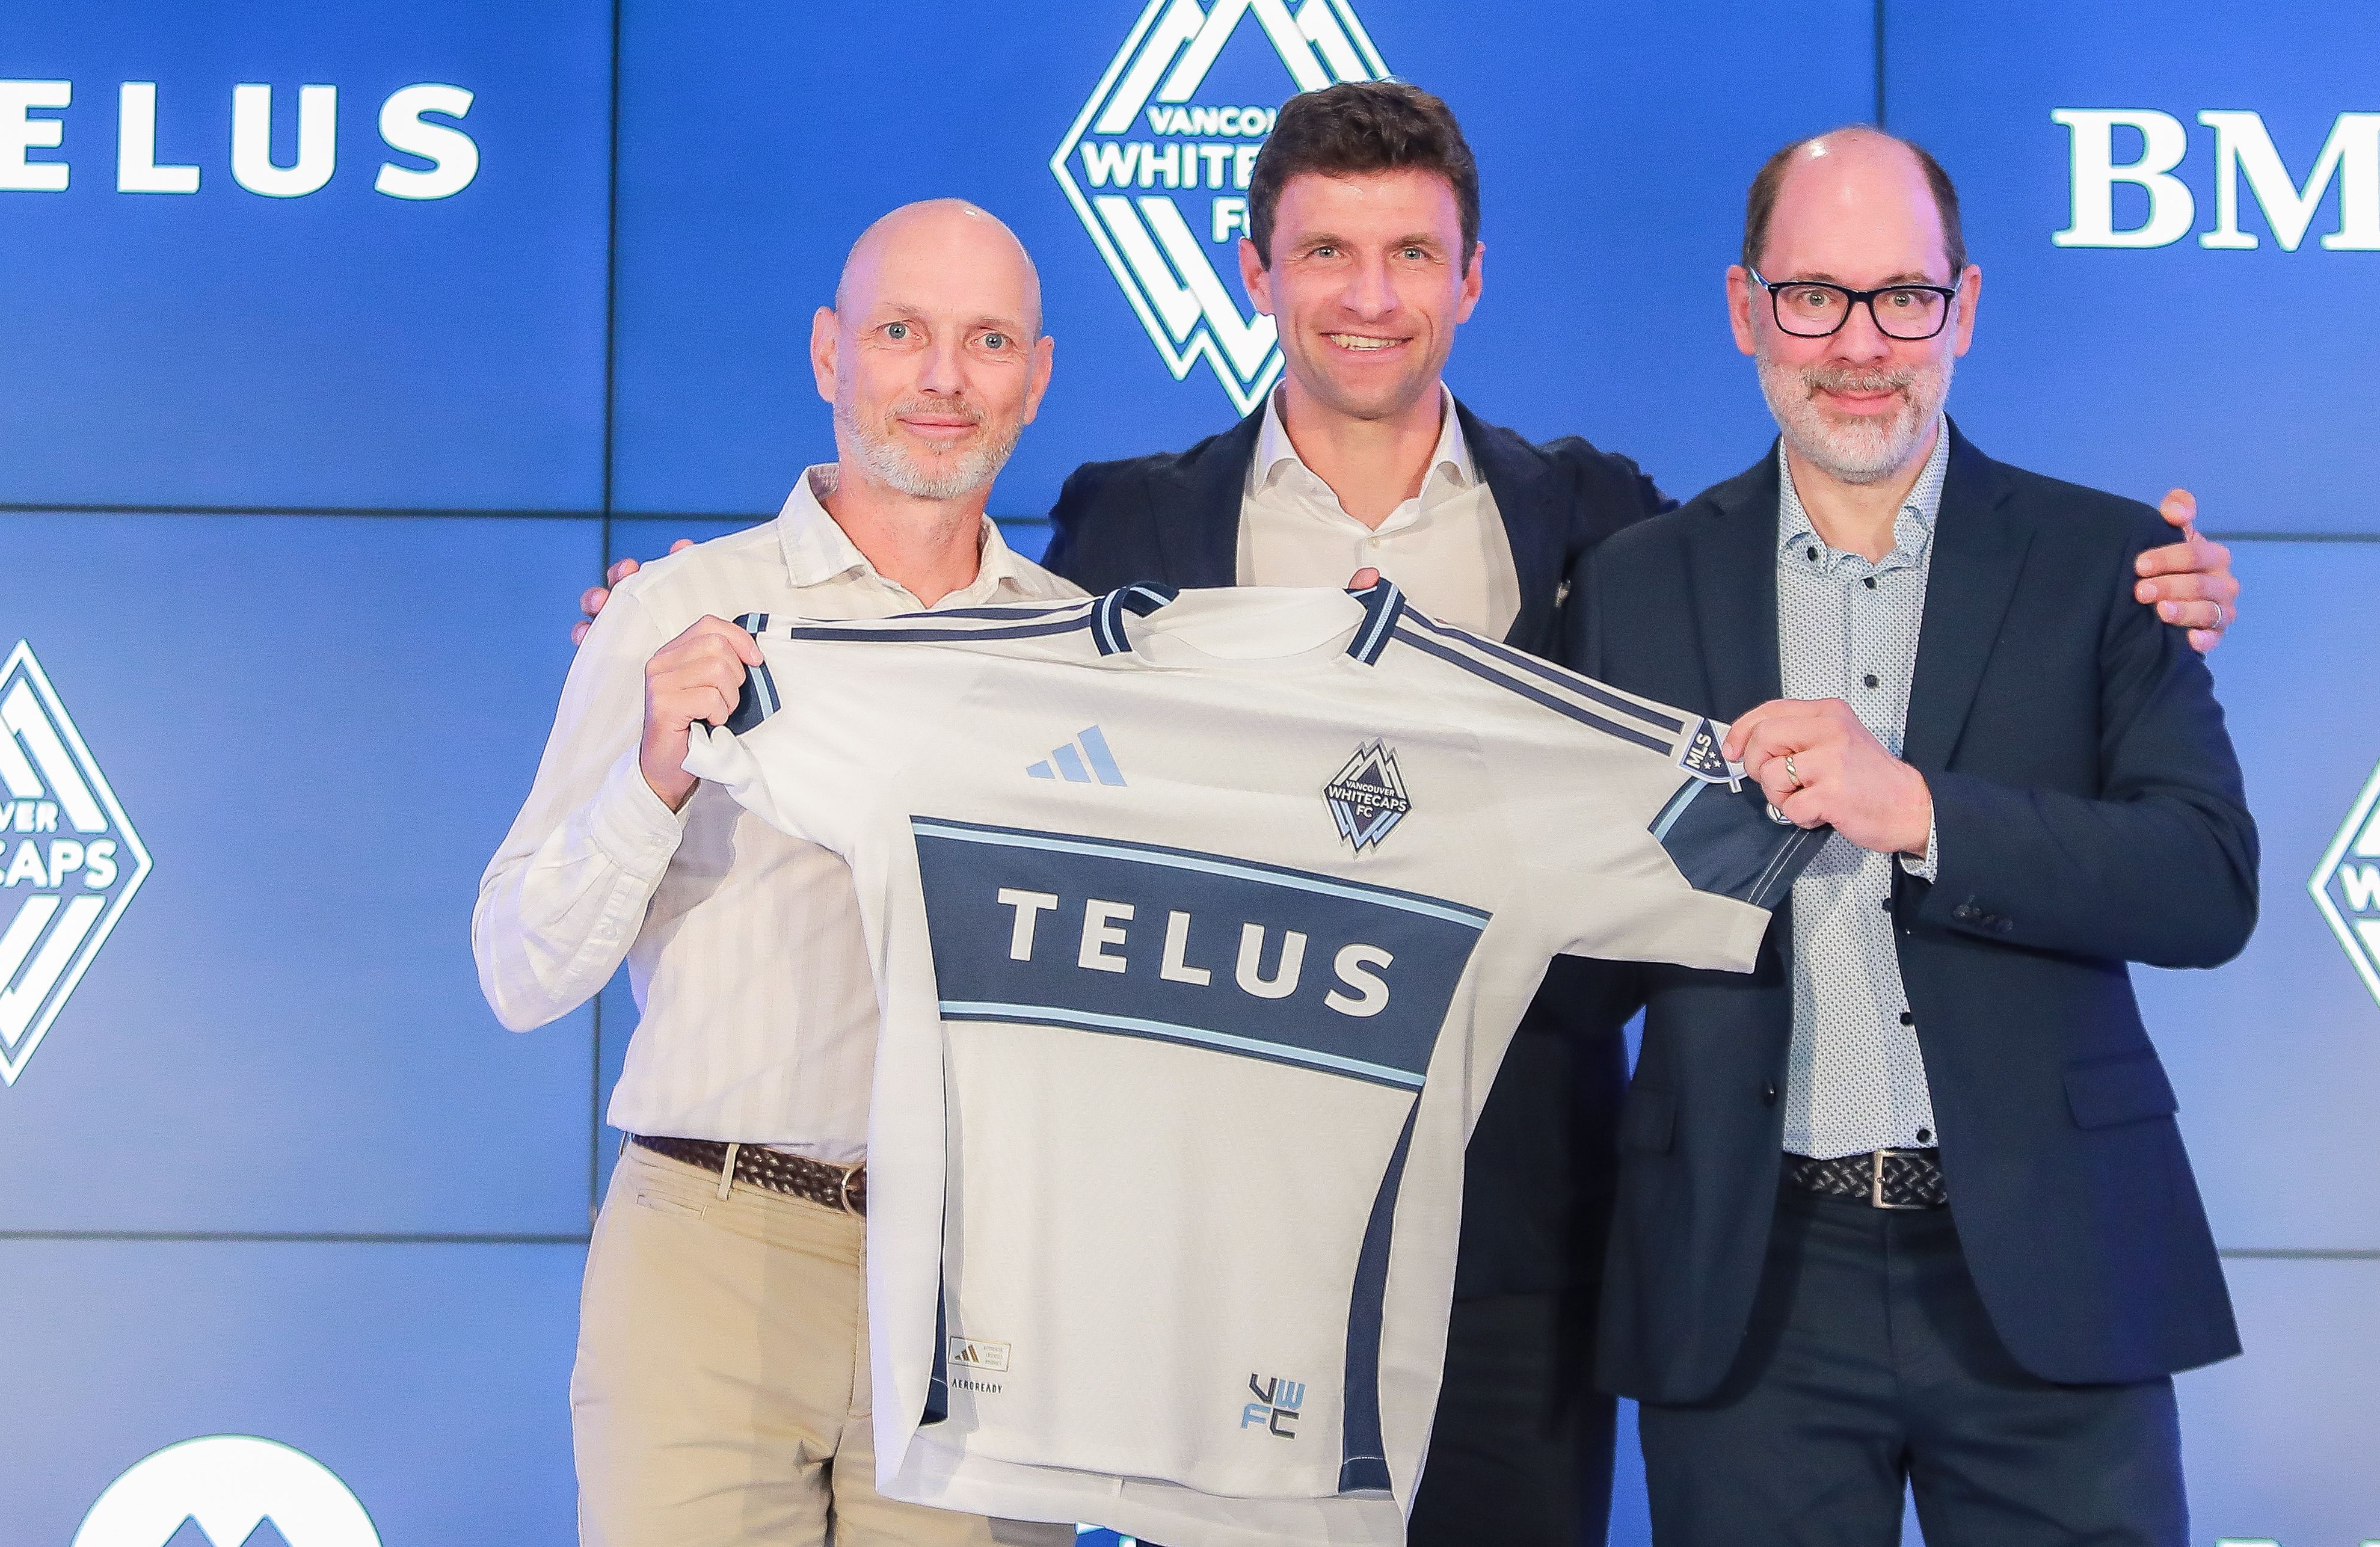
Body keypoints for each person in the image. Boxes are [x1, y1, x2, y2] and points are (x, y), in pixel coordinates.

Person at [581, 84, 2245, 1547]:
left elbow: (1644, 813)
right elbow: (969, 683)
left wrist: (2155, 593)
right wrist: (719, 633)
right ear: (1257, 275)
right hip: (1206, 1224)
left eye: (1408, 256)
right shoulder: (1124, 519)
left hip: (1525, 1219)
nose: (1366, 298)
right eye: (1324, 255)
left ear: (1469, 278)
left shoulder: (1607, 527)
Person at [1566, 126, 2256, 1546]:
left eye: (1904, 296)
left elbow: (2206, 882)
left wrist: (1924, 814)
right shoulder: (1636, 585)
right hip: (1747, 1286)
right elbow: (1584, 946)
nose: (1862, 343)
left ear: (1968, 307)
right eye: (1815, 294)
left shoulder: (2112, 562)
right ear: (1747, 307)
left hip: (2050, 1267)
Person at [476, 200, 1075, 1547]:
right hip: (709, 1240)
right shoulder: (671, 613)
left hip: (982, 1285)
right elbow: (519, 970)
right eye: (900, 332)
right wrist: (653, 771)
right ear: (828, 354)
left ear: (1036, 376)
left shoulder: (1085, 660)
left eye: (986, 341)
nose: (941, 377)